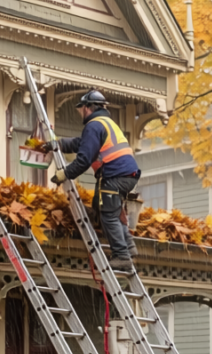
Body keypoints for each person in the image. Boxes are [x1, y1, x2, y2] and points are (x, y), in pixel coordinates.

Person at [41, 90, 140, 272]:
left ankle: (122, 256)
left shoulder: (94, 125)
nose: (80, 113)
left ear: (88, 107)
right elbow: (82, 143)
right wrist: (59, 144)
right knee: (102, 206)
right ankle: (129, 246)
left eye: (81, 108)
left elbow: (84, 160)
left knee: (109, 214)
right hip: (125, 174)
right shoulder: (105, 123)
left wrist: (64, 174)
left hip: (114, 175)